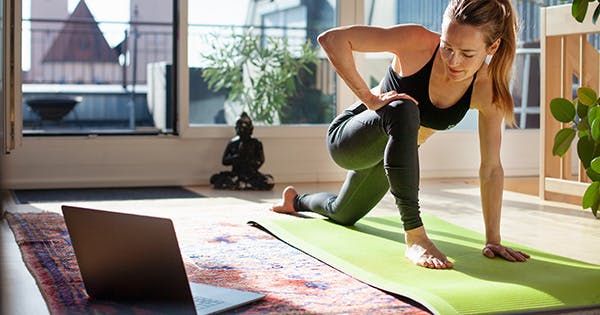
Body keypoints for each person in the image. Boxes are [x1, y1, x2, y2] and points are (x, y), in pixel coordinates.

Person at [271, 0, 531, 269]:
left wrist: (493, 239)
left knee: (342, 213)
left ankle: (296, 201)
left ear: (493, 47)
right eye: (447, 47)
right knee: (405, 108)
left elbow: (491, 168)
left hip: (392, 159)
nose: (453, 60)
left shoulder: (488, 90)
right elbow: (333, 39)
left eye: (467, 54)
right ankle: (415, 236)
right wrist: (369, 98)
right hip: (349, 140)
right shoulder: (416, 41)